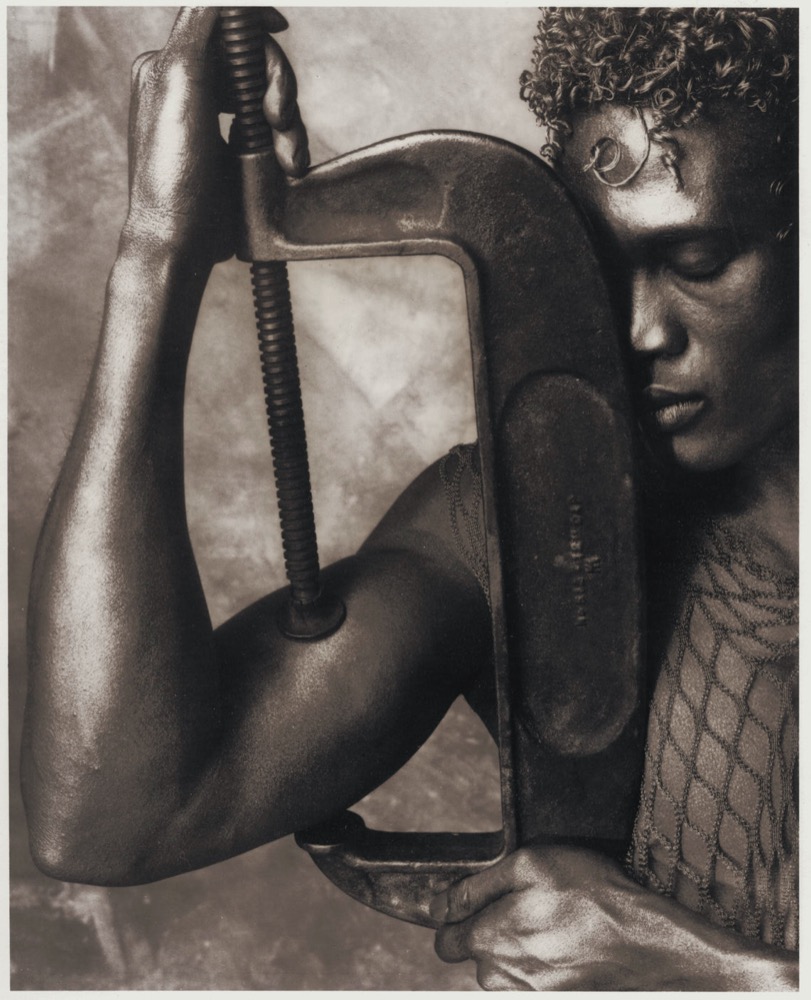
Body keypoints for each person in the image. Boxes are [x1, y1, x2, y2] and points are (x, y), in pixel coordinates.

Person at [22, 6, 798, 990]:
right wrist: (156, 253)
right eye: (599, 267)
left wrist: (703, 967)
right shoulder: (520, 525)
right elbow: (110, 817)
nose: (641, 330)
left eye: (696, 263)